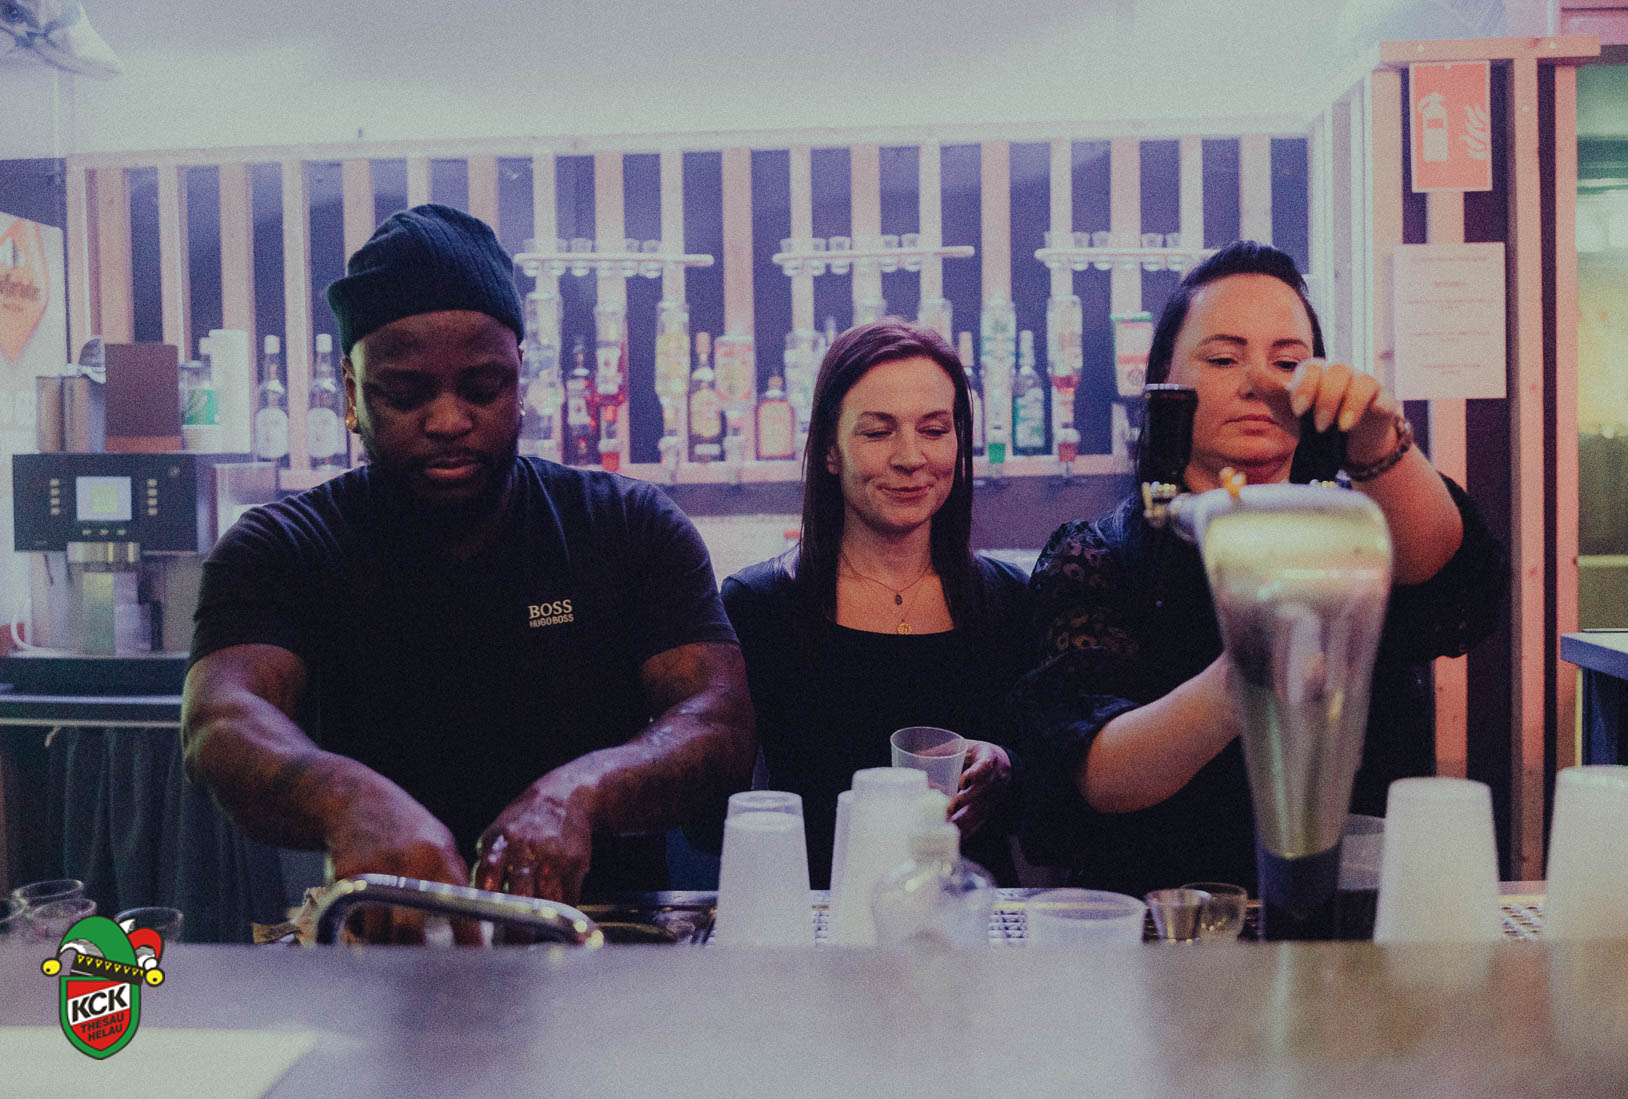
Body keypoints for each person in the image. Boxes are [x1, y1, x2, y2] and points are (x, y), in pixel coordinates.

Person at [181, 204, 754, 936]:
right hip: (384, 949)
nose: (449, 421)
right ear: (352, 395)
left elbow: (720, 720)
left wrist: (581, 793)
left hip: (601, 940)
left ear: (521, 379)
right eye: (405, 393)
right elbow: (219, 720)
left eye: (483, 387)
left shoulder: (627, 527)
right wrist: (348, 799)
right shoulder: (285, 546)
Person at [1011, 241, 1507, 899]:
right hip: (1162, 925)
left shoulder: (1355, 525)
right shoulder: (1098, 555)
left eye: (1289, 362)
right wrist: (1246, 672)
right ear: (1164, 385)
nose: (1259, 383)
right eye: (1222, 359)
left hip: (1350, 916)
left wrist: (1376, 440)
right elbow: (1097, 770)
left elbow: (1452, 583)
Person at [720, 320, 1033, 888]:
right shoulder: (760, 606)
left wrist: (1005, 767)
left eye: (934, 430)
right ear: (830, 451)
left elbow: (1055, 807)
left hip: (970, 915)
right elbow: (714, 819)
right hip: (822, 915)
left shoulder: (1008, 600)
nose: (911, 457)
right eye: (877, 432)